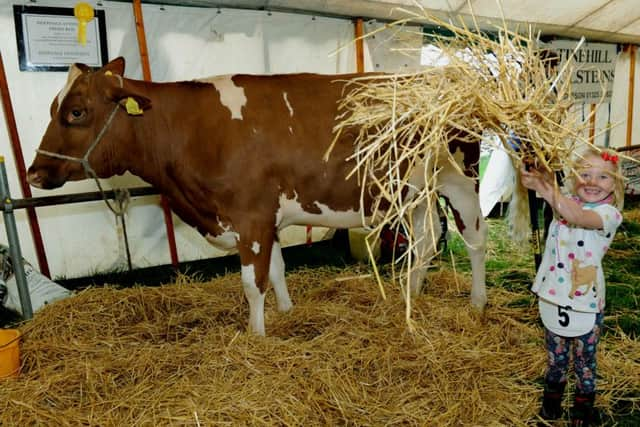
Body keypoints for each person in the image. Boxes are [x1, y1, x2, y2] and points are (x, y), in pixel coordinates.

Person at [520, 146, 625, 426]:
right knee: (555, 359)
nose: (591, 182)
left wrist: (547, 189)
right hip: (553, 297)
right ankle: (551, 405)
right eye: (585, 174)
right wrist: (536, 174)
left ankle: (582, 411)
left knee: (585, 361)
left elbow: (577, 216)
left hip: (586, 302)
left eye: (603, 177)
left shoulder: (609, 214)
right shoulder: (564, 200)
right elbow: (550, 193)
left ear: (615, 186)